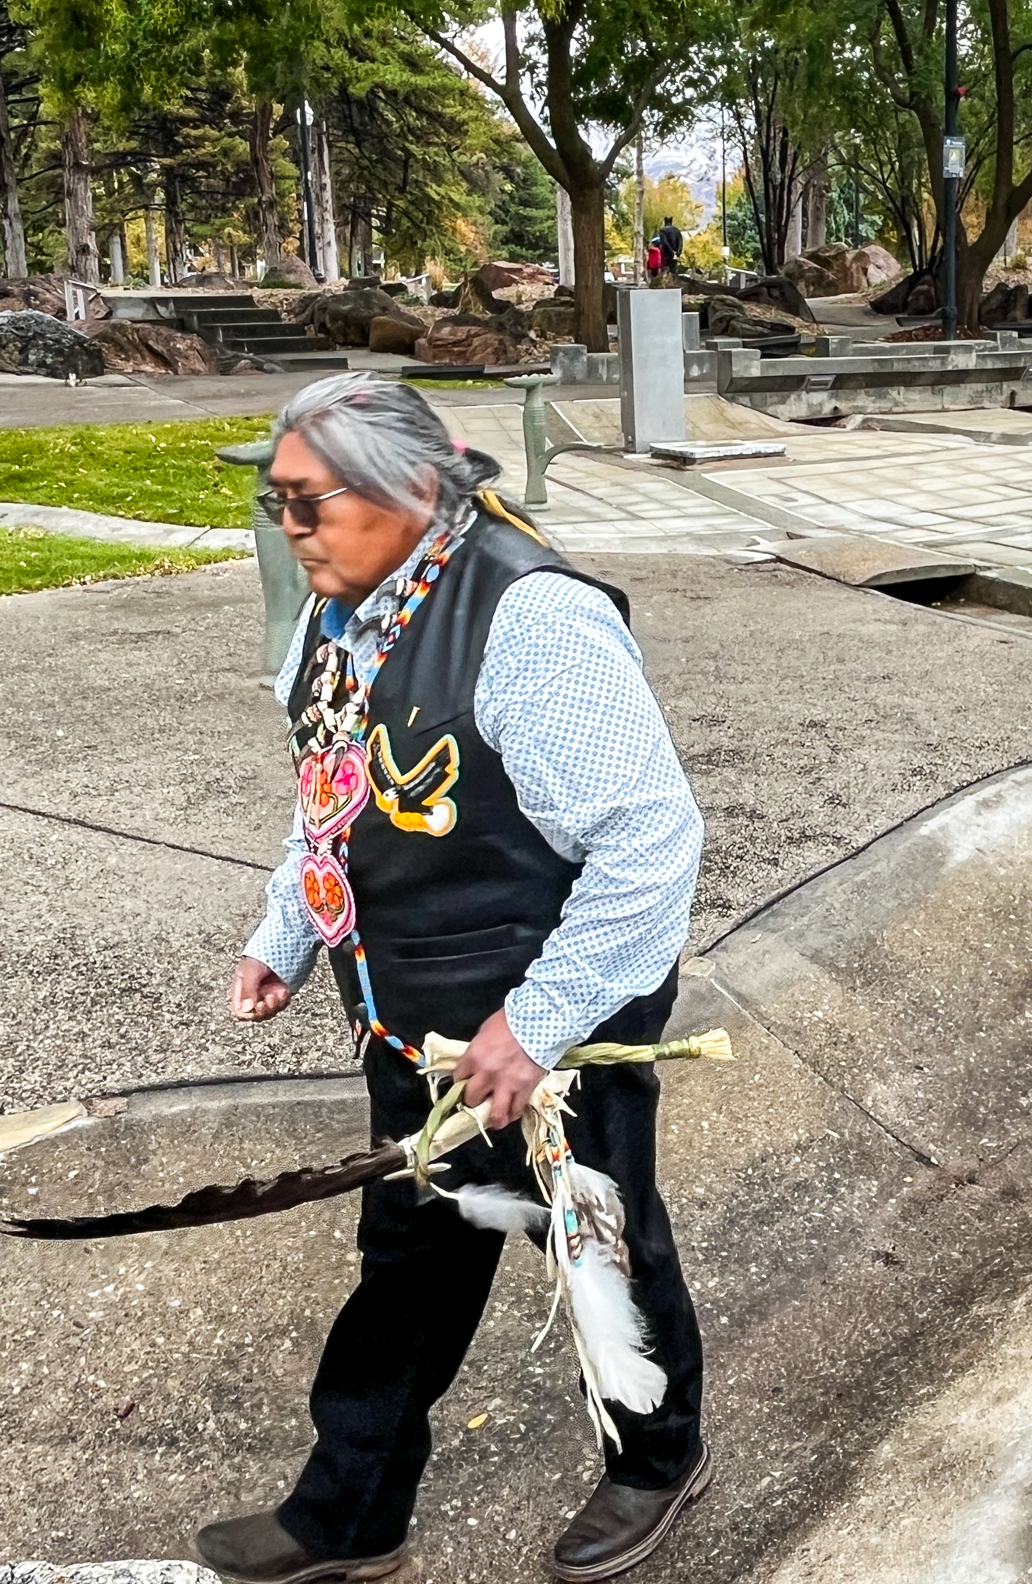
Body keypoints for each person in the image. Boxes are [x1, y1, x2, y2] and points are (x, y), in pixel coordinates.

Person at [197, 377, 711, 1584]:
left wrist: (533, 1025)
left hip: (556, 1014)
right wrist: (287, 930)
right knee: (413, 1247)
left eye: (308, 504)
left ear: (414, 487)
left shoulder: (528, 618)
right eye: (275, 506)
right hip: (415, 1017)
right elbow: (330, 787)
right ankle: (352, 1509)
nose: (291, 531)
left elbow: (650, 840)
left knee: (594, 1241)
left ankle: (657, 1453)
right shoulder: (353, 602)